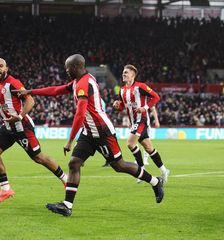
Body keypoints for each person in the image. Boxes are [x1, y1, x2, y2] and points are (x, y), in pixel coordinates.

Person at [15, 54, 164, 217]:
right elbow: (56, 90)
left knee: (119, 165)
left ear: (77, 67)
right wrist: (31, 91)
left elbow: (80, 114)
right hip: (88, 132)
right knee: (74, 163)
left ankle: (155, 182)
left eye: (68, 67)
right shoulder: (78, 81)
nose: (66, 70)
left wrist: (70, 140)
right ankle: (67, 205)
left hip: (102, 132)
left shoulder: (84, 83)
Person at [0, 58, 68, 205]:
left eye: (1, 66)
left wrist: (20, 116)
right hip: (8, 127)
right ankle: (5, 189)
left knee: (38, 158)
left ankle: (66, 179)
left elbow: (30, 101)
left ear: (6, 69)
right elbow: (2, 107)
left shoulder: (13, 82)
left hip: (22, 127)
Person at [113, 64, 170, 184]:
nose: (124, 74)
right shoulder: (122, 90)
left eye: (126, 72)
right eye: (123, 72)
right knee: (149, 149)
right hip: (134, 122)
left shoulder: (140, 87)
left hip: (142, 120)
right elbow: (122, 106)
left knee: (130, 143)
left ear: (133, 75)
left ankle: (141, 171)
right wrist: (117, 106)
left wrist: (144, 107)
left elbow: (156, 97)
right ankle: (164, 170)